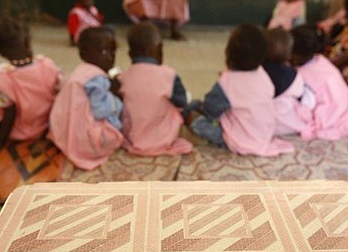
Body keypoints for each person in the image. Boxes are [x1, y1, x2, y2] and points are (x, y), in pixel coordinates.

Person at [190, 24, 294, 156]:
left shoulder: (227, 83)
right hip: (265, 135)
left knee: (198, 122)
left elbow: (211, 110)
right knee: (200, 105)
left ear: (227, 55)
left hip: (240, 141)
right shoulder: (263, 74)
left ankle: (188, 119)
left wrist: (198, 113)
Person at [0, 19, 61, 154]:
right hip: (44, 124)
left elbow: (9, 113)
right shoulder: (47, 65)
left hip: (19, 129)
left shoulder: (0, 77)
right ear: (28, 41)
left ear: (1, 52)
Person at [49, 26, 123, 170]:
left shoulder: (81, 71)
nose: (111, 56)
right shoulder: (97, 78)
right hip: (84, 141)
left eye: (113, 51)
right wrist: (115, 96)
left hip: (62, 133)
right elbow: (100, 110)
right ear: (83, 54)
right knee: (117, 124)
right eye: (104, 51)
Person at [119, 21, 193, 155]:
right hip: (164, 138)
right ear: (160, 51)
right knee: (183, 104)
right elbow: (182, 101)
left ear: (130, 54)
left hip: (132, 138)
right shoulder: (169, 74)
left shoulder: (123, 77)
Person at [291, 25, 348, 140]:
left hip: (332, 110)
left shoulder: (301, 74)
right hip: (346, 101)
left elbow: (307, 101)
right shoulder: (321, 60)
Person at [263, 28, 315, 136]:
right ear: (289, 54)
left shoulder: (257, 71)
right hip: (286, 125)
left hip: (261, 123)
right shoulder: (293, 75)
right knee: (308, 96)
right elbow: (304, 99)